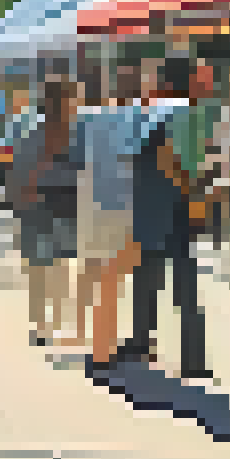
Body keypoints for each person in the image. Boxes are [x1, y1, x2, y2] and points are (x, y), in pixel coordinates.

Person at [127, 60, 210, 381]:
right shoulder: (183, 112)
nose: (208, 80)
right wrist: (193, 193)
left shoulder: (153, 111)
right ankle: (192, 358)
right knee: (186, 282)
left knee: (148, 275)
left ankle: (140, 341)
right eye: (202, 75)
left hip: (150, 203)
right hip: (174, 206)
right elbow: (167, 156)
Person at [79, 66, 149, 375]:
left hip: (93, 205)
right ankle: (103, 351)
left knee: (99, 279)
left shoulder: (89, 118)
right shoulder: (136, 121)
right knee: (112, 282)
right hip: (123, 206)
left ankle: (99, 345)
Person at [11, 78, 83, 348]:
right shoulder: (36, 135)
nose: (72, 106)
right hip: (41, 205)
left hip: (62, 204)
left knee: (57, 266)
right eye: (69, 101)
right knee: (42, 267)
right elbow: (19, 174)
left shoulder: (75, 136)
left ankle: (50, 321)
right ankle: (43, 323)